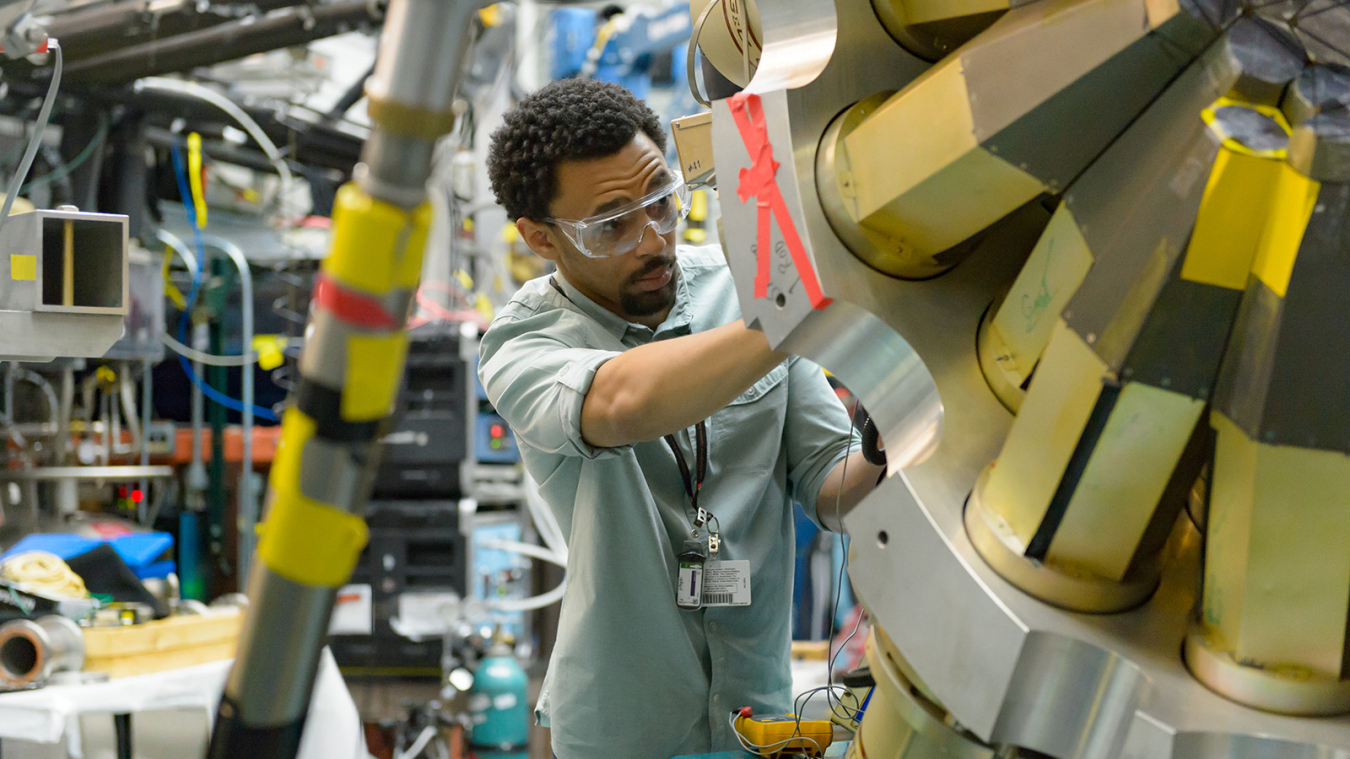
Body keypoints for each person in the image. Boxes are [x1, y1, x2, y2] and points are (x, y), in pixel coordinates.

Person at [478, 78, 884, 759]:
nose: (652, 240)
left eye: (662, 202)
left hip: (757, 716)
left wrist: (885, 442)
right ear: (540, 238)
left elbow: (831, 483)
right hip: (621, 728)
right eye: (612, 225)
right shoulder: (522, 345)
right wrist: (797, 312)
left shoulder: (745, 296)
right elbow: (622, 403)